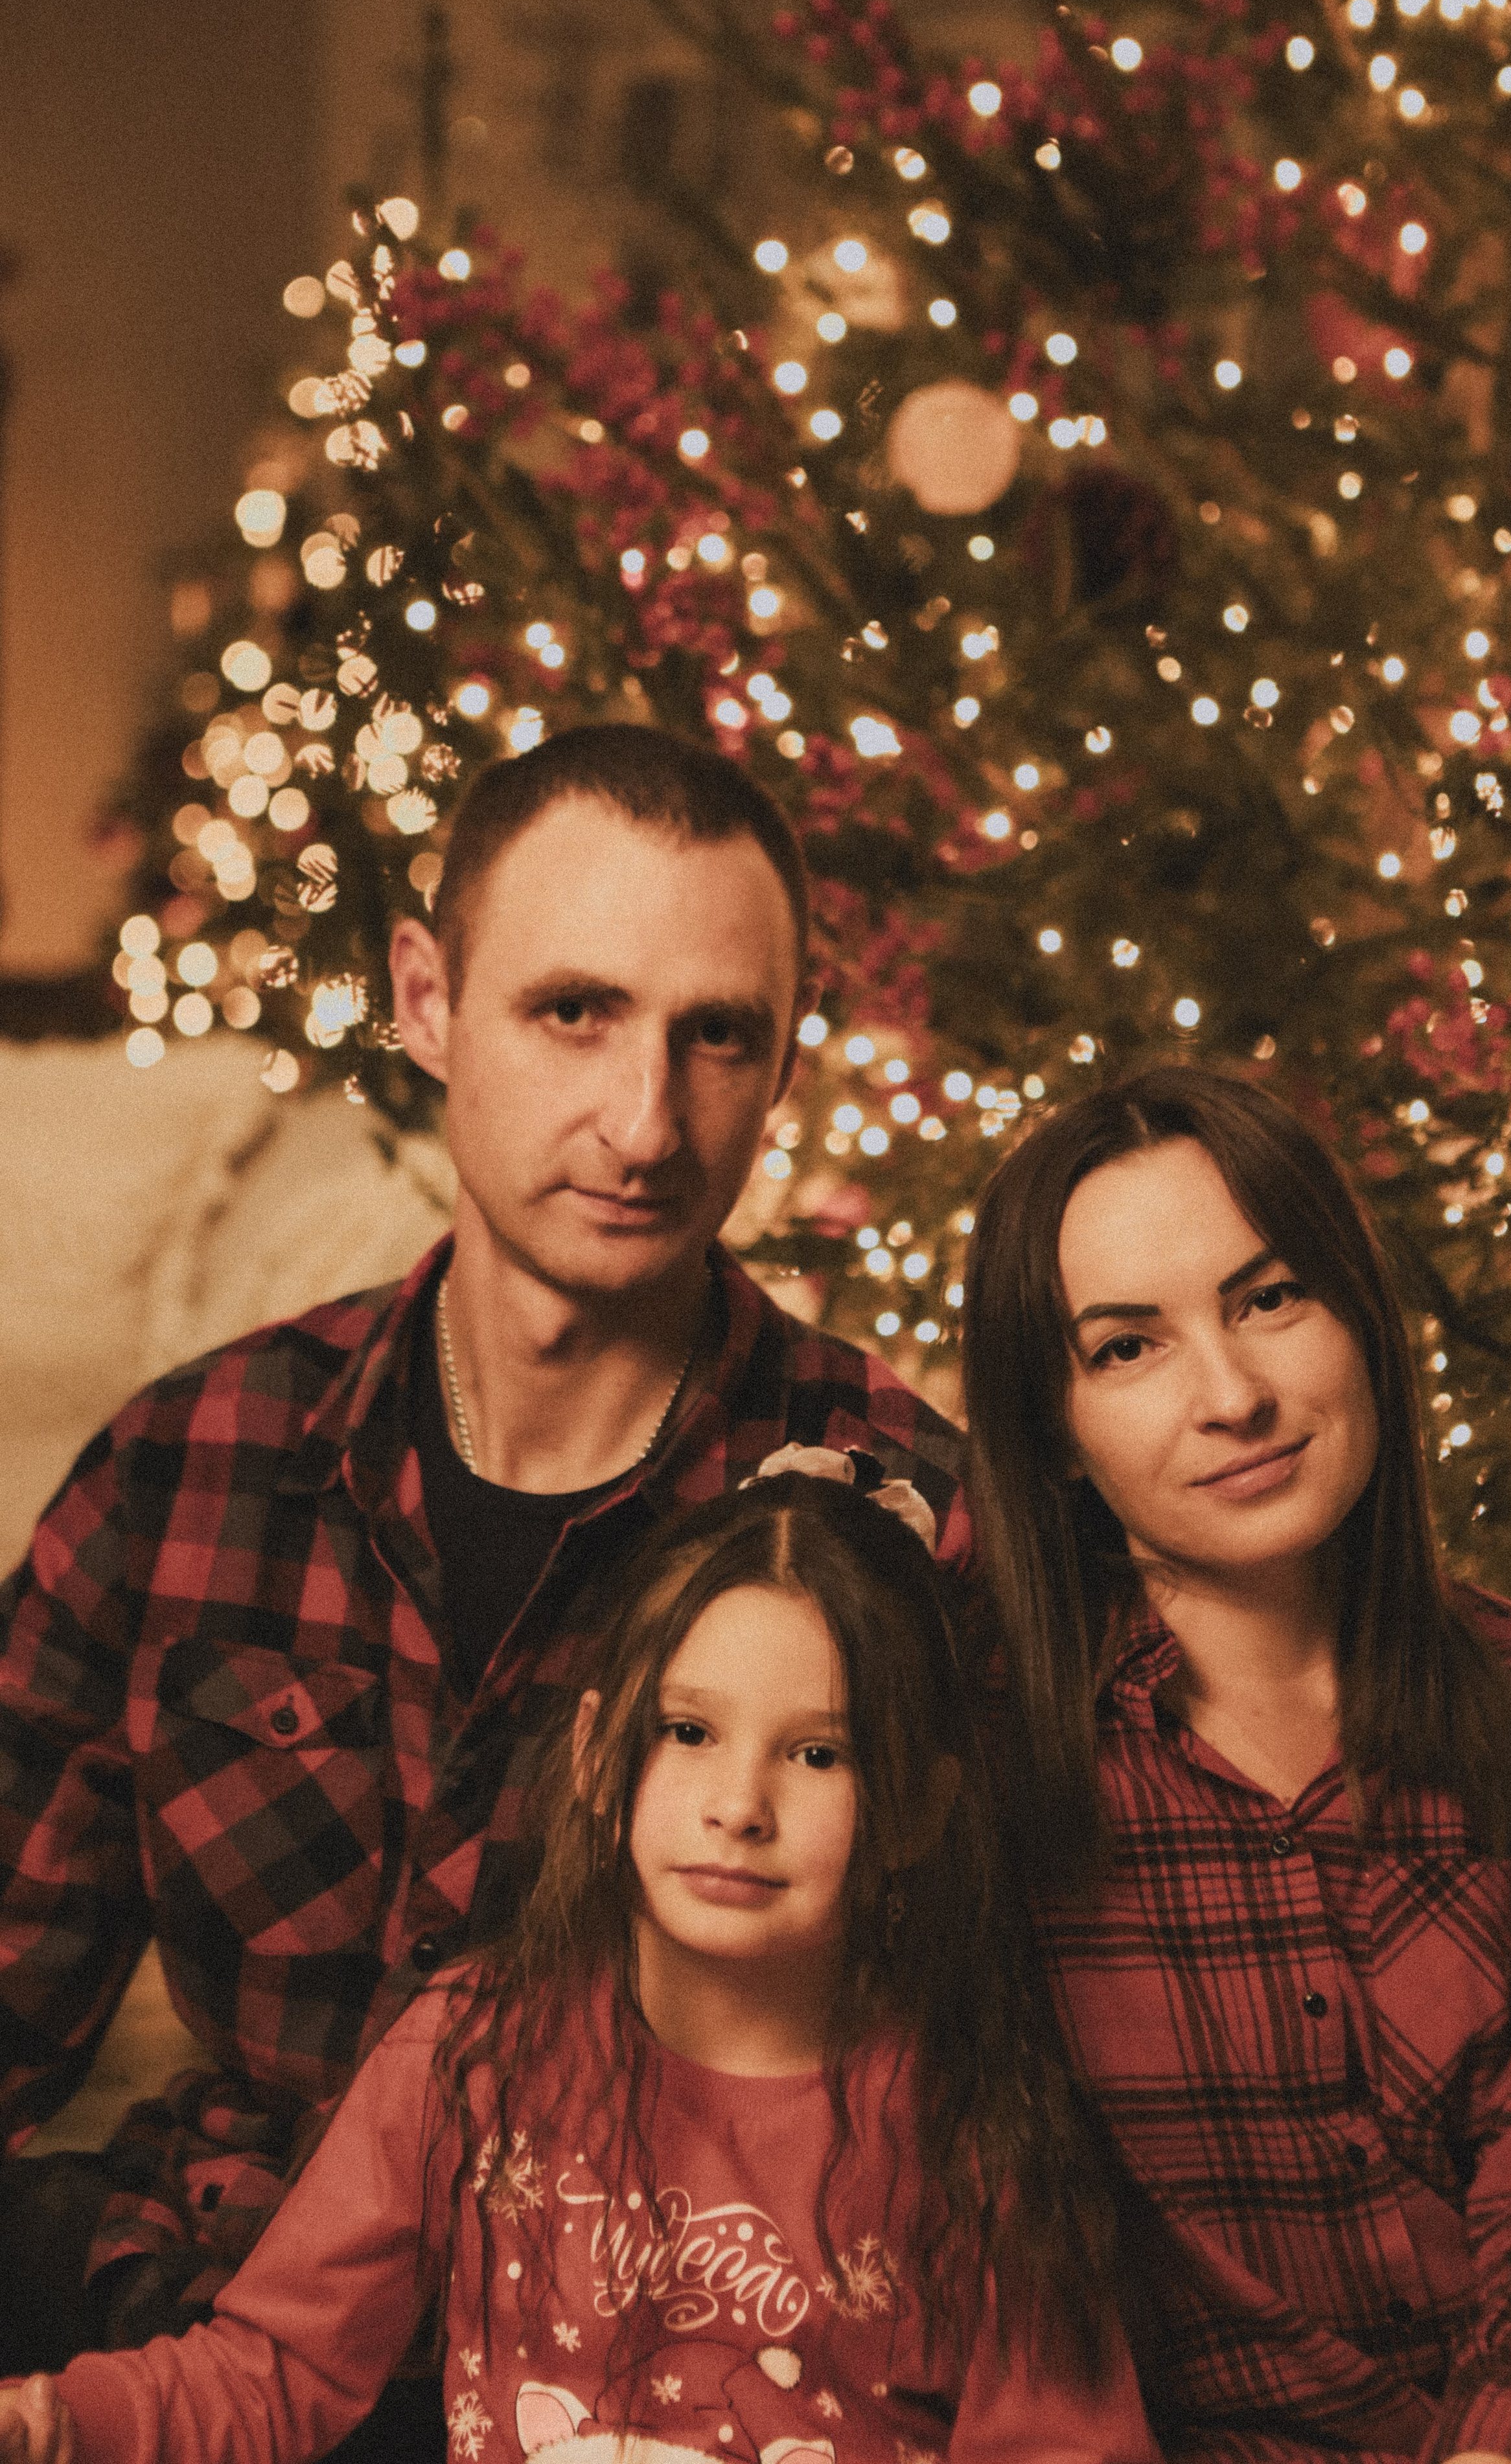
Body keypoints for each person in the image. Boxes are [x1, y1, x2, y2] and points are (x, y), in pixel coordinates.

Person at [0, 727, 967, 2421]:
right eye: (574, 1011)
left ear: (786, 1061)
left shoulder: (899, 1529)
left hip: (650, 2357)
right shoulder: (187, 1467)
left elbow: (997, 2099)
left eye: (716, 1036)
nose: (645, 1120)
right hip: (207, 2289)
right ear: (431, 1000)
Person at [0, 1470, 1151, 2464]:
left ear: (916, 1811)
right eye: (688, 1732)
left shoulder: (974, 2125)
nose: (739, 1806)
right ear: (603, 1756)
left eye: (818, 1754)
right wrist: (53, 2422)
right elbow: (278, 2371)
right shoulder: (472, 2045)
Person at [961, 1064, 1511, 2464]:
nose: (1231, 1395)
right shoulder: (980, 1781)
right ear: (1052, 1430)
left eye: (1267, 1297)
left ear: (1355, 1314)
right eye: (1125, 1347)